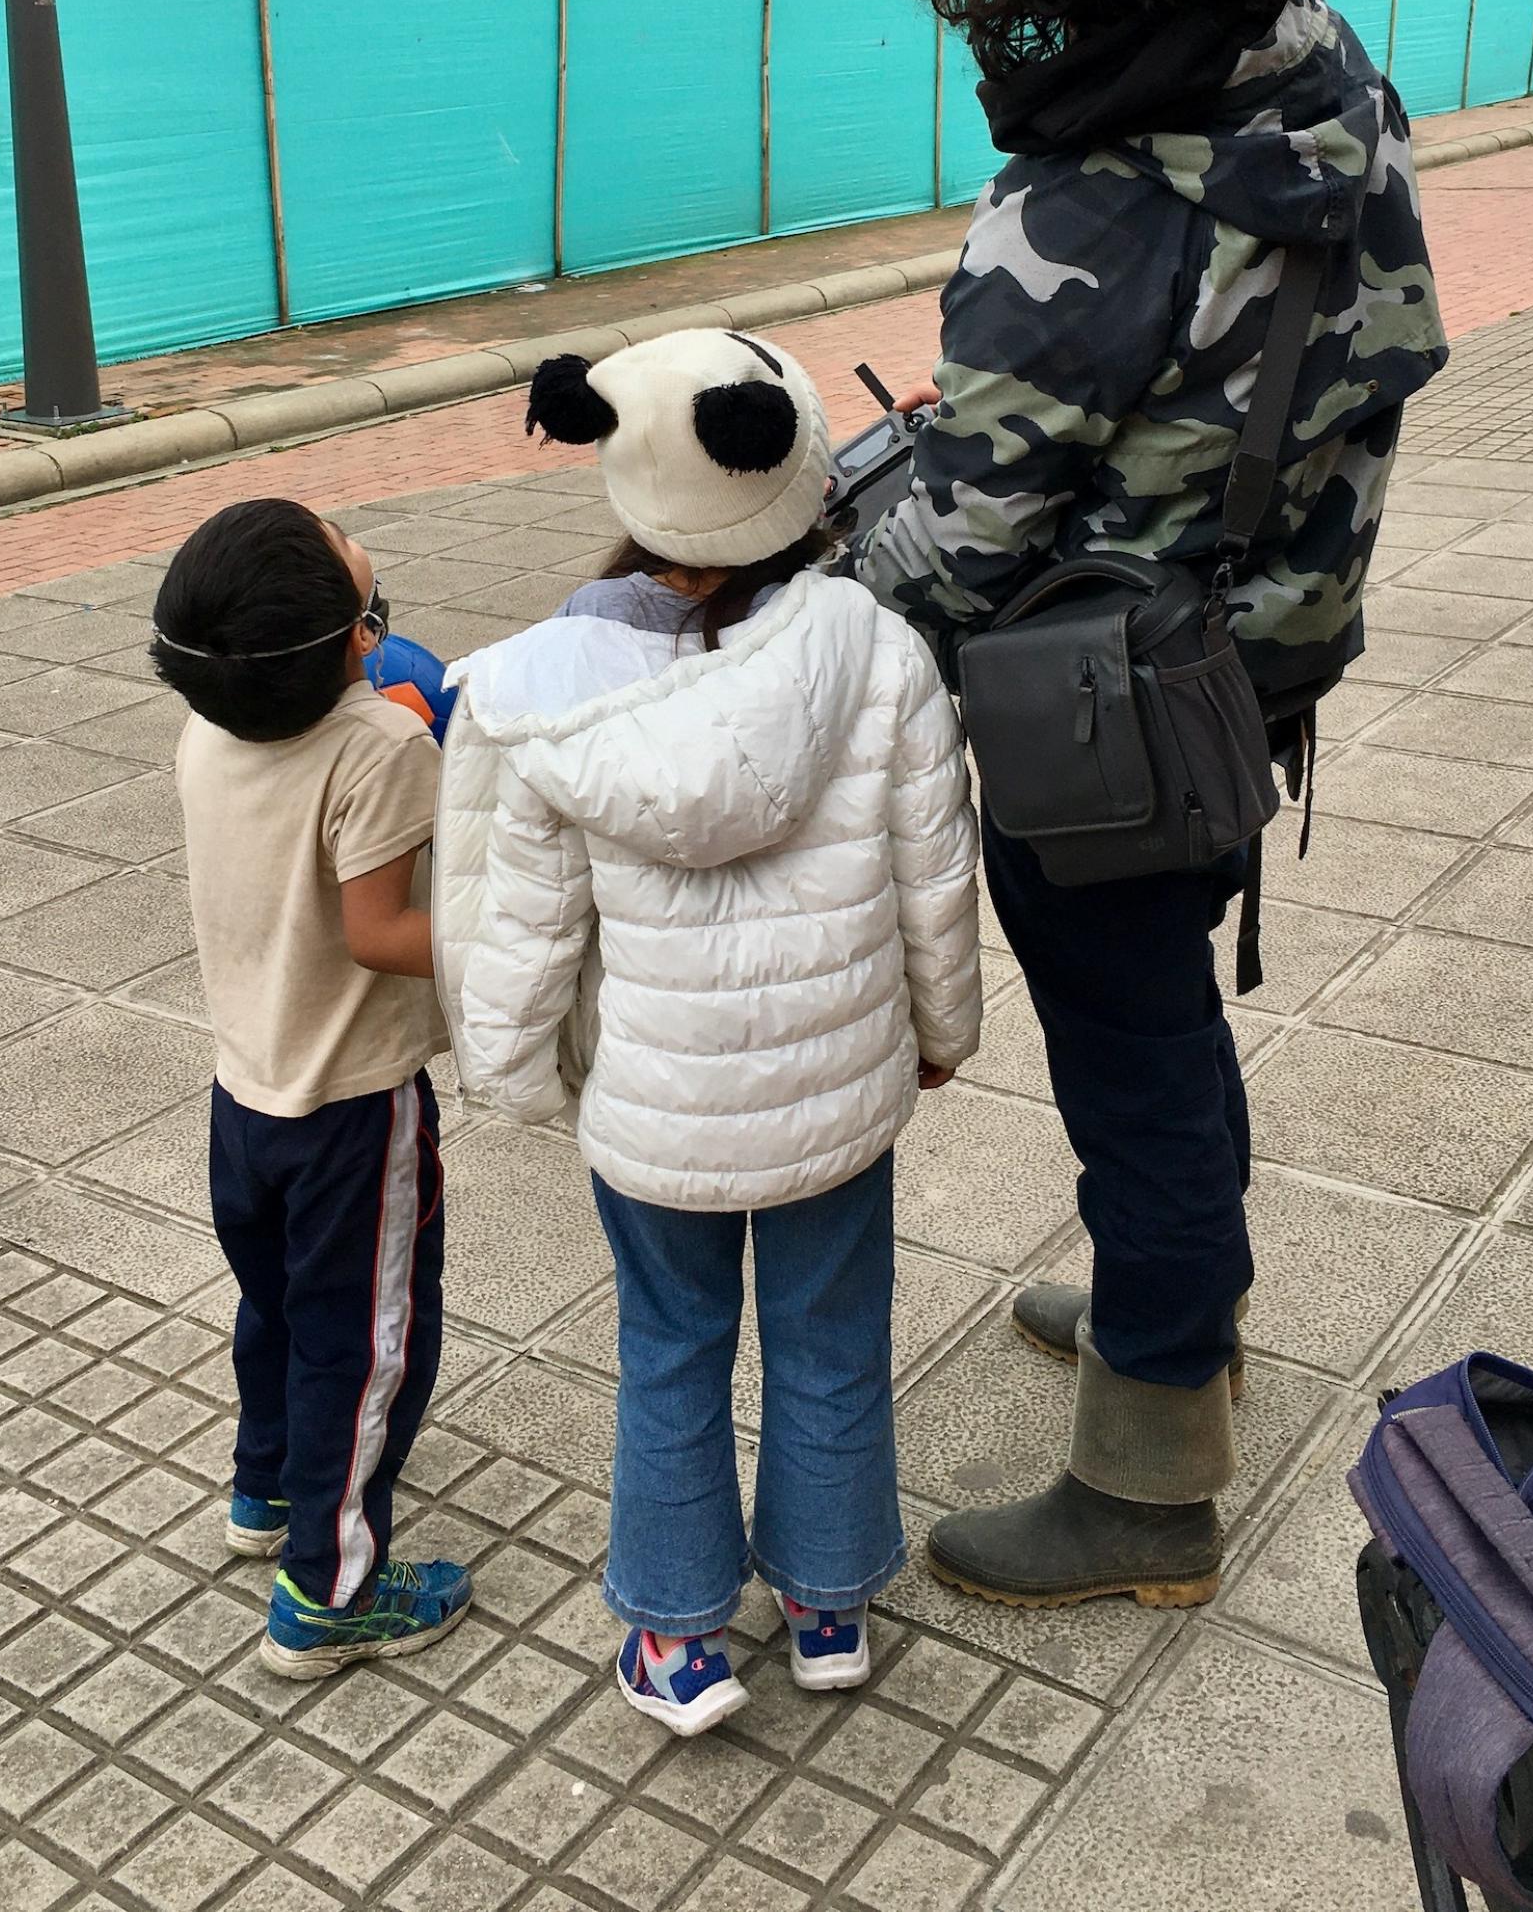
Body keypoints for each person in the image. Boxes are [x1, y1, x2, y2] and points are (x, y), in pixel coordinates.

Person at [856, 0, 1447, 1612]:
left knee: (1130, 1053)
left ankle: (1146, 1476)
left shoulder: (1086, 192)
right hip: (1263, 650)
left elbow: (961, 541)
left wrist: (814, 552)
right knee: (1168, 1014)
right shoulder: (1322, 84)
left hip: (1098, 707)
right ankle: (1175, 1299)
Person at [436, 330, 983, 1736]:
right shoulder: (876, 648)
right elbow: (936, 869)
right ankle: (826, 1604)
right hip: (836, 1096)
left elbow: (531, 916)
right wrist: (940, 1030)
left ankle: (677, 1641)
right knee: (830, 1337)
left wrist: (506, 1064)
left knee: (670, 1347)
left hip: (655, 1114)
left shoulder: (559, 692)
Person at [151, 496, 472, 1677]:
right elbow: (383, 931)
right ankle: (332, 1588)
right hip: (354, 1106)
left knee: (277, 1308)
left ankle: (266, 1489)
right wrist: (523, 933)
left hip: (245, 1091)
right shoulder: (382, 747)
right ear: (348, 639)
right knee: (369, 1340)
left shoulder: (206, 729)